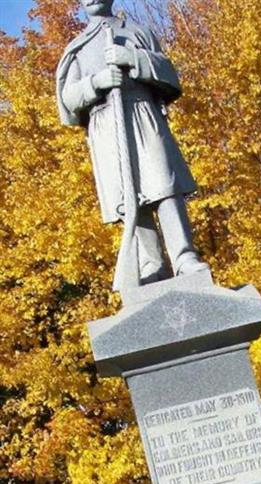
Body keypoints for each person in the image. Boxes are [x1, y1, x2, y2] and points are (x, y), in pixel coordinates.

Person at [56, 0, 209, 293]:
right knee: (130, 200)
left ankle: (184, 257)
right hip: (106, 125)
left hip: (141, 112)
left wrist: (133, 58)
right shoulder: (77, 48)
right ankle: (151, 266)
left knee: (165, 185)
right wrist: (96, 82)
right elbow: (68, 100)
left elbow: (169, 75)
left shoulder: (137, 32)